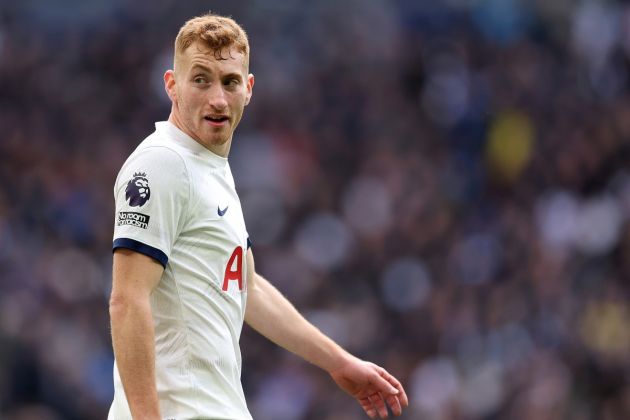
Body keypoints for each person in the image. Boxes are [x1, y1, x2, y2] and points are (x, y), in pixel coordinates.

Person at [108, 12, 408, 420]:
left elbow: (248, 286)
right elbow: (127, 300)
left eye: (229, 81)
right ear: (171, 85)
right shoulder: (162, 163)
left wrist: (338, 362)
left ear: (248, 89)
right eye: (201, 79)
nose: (217, 97)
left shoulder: (208, 168)